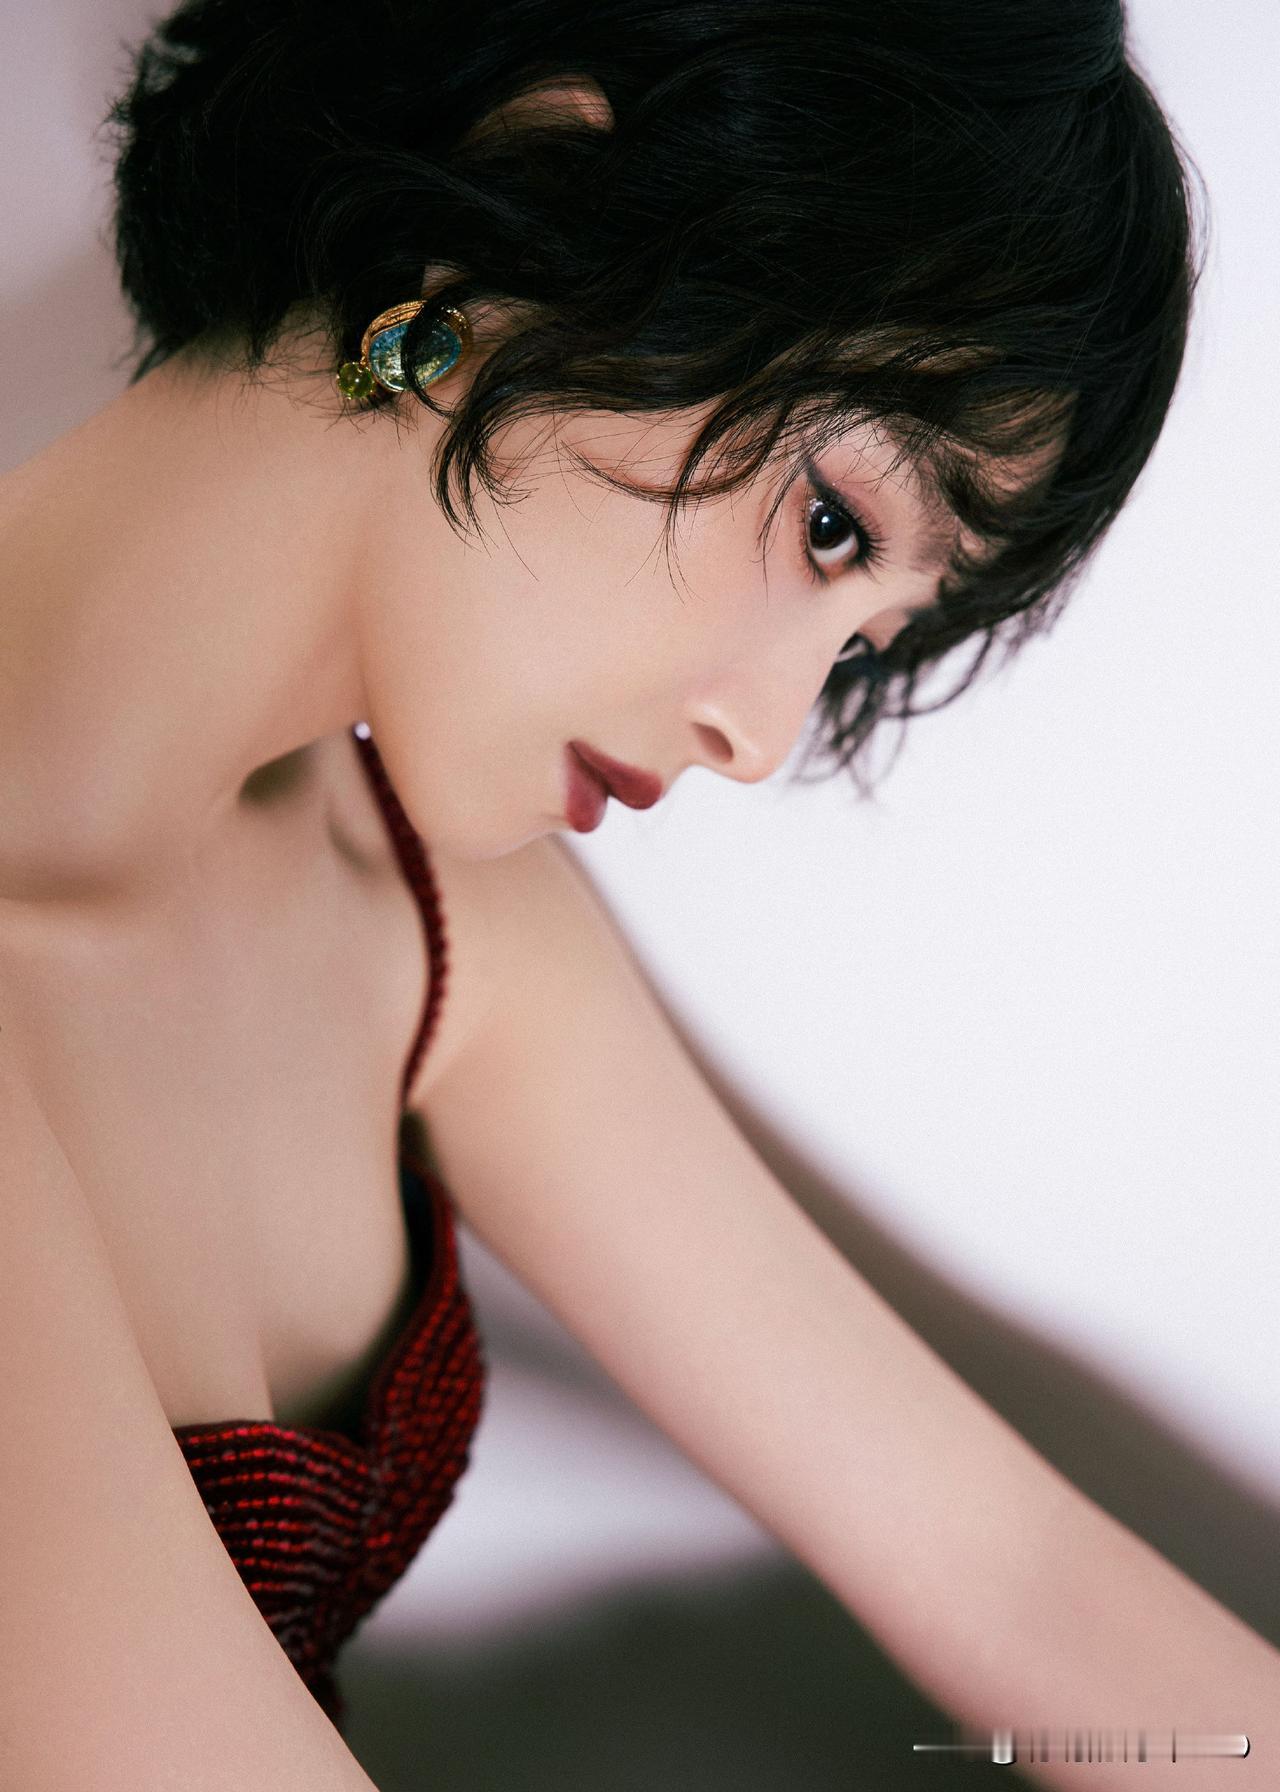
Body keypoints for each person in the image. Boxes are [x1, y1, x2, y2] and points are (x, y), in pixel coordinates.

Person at [0, 0, 1273, 1785]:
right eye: (830, 525)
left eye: (863, 643)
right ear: (551, 172)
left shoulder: (435, 927)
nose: (765, 736)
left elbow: (1010, 1570)